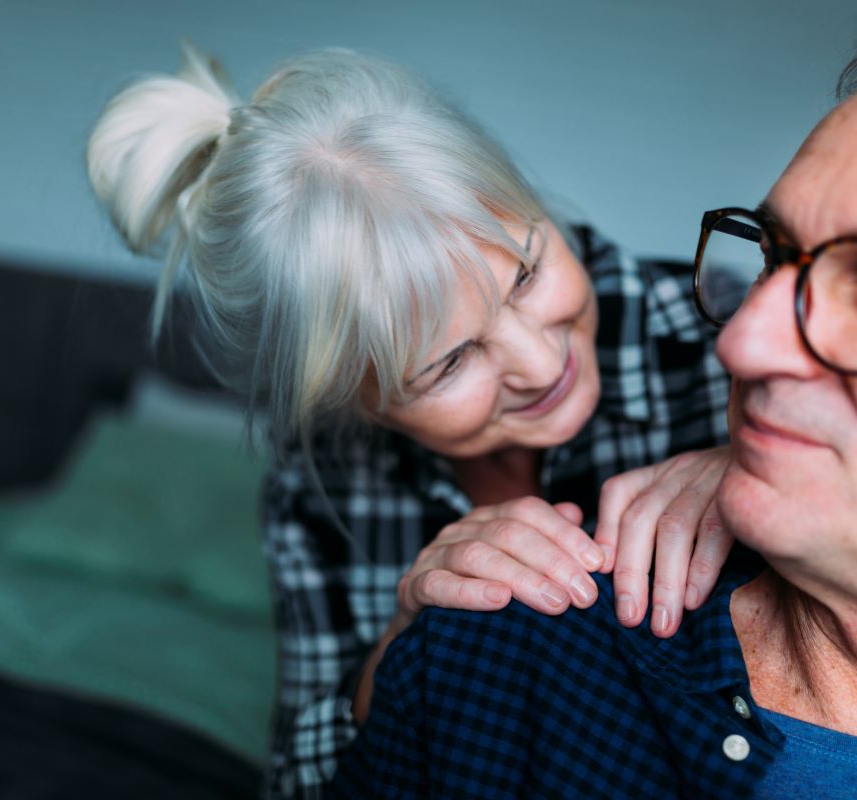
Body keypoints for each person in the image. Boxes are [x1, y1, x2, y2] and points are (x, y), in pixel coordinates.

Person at [331, 1, 857, 797]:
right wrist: (405, 634)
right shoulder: (483, 661)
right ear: (367, 404)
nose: (738, 343)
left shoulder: (670, 315)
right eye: (777, 258)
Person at [85, 46, 735, 797]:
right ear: (351, 400)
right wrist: (403, 640)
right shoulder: (319, 477)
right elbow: (300, 782)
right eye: (449, 363)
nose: (538, 360)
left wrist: (750, 466)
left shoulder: (724, 340)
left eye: (526, 272)